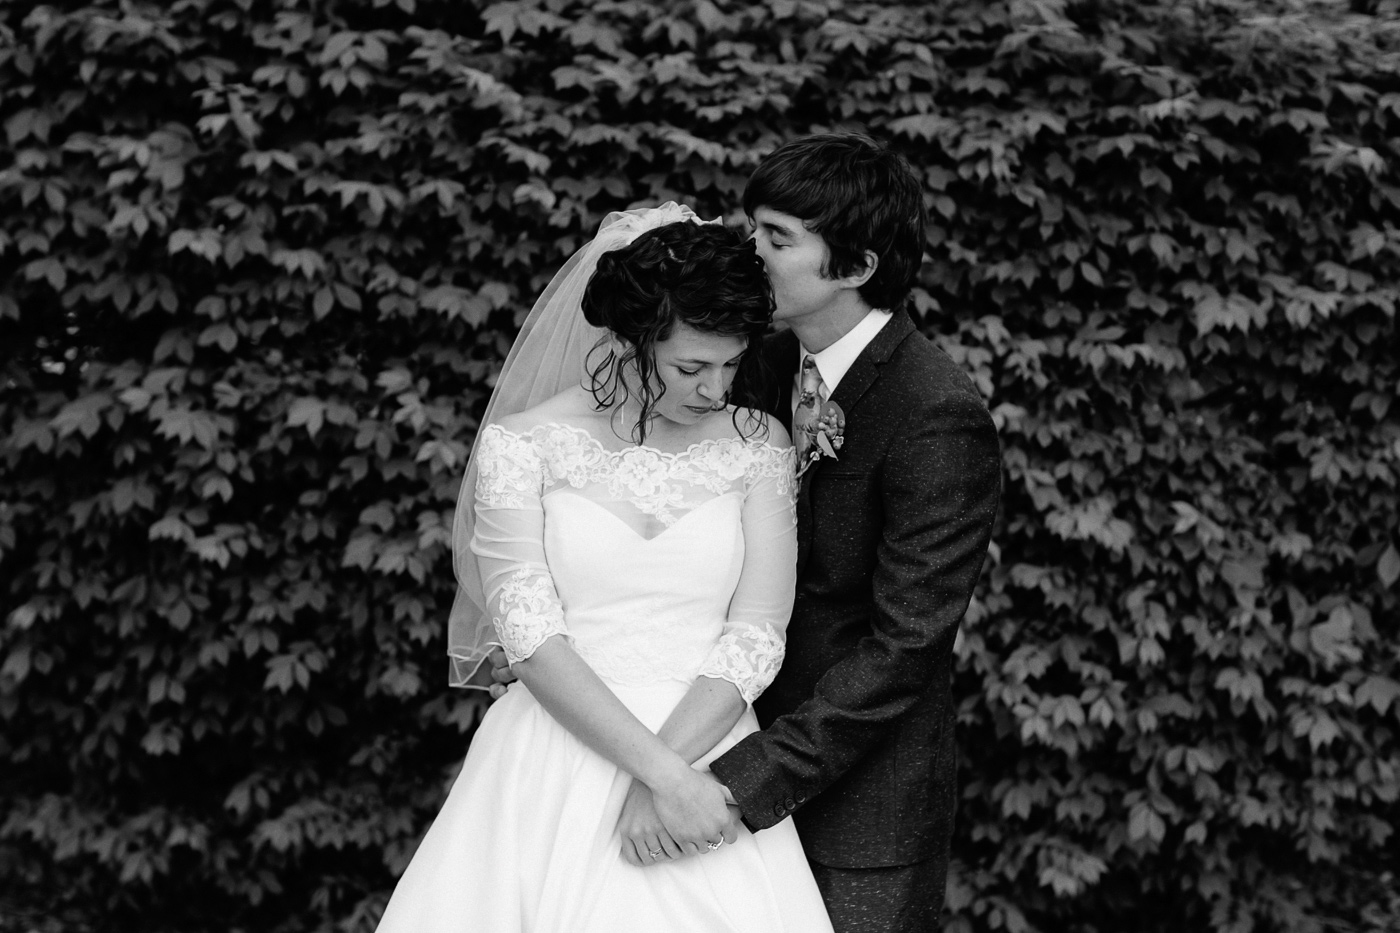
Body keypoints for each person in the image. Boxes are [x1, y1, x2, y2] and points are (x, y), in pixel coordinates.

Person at [374, 205, 833, 933]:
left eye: (731, 363)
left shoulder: (757, 445)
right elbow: (529, 639)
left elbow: (756, 632)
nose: (716, 389)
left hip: (708, 745)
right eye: (690, 366)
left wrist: (673, 781)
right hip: (553, 751)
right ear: (628, 342)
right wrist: (660, 773)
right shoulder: (521, 446)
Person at [704, 133, 1002, 931]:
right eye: (751, 228)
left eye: (777, 237)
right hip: (714, 756)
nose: (750, 251)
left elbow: (904, 648)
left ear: (858, 265)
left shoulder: (934, 412)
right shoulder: (753, 368)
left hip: (856, 813)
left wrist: (743, 778)